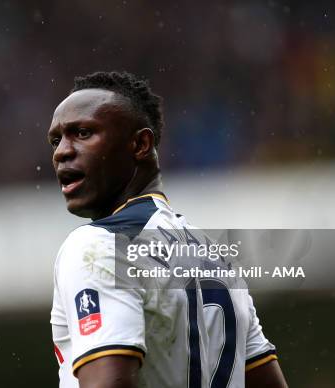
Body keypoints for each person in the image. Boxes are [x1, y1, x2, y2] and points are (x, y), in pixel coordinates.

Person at [48, 71, 288, 388]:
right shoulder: (217, 259)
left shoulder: (98, 247)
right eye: (56, 140)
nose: (61, 151)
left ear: (140, 144)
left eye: (82, 133)